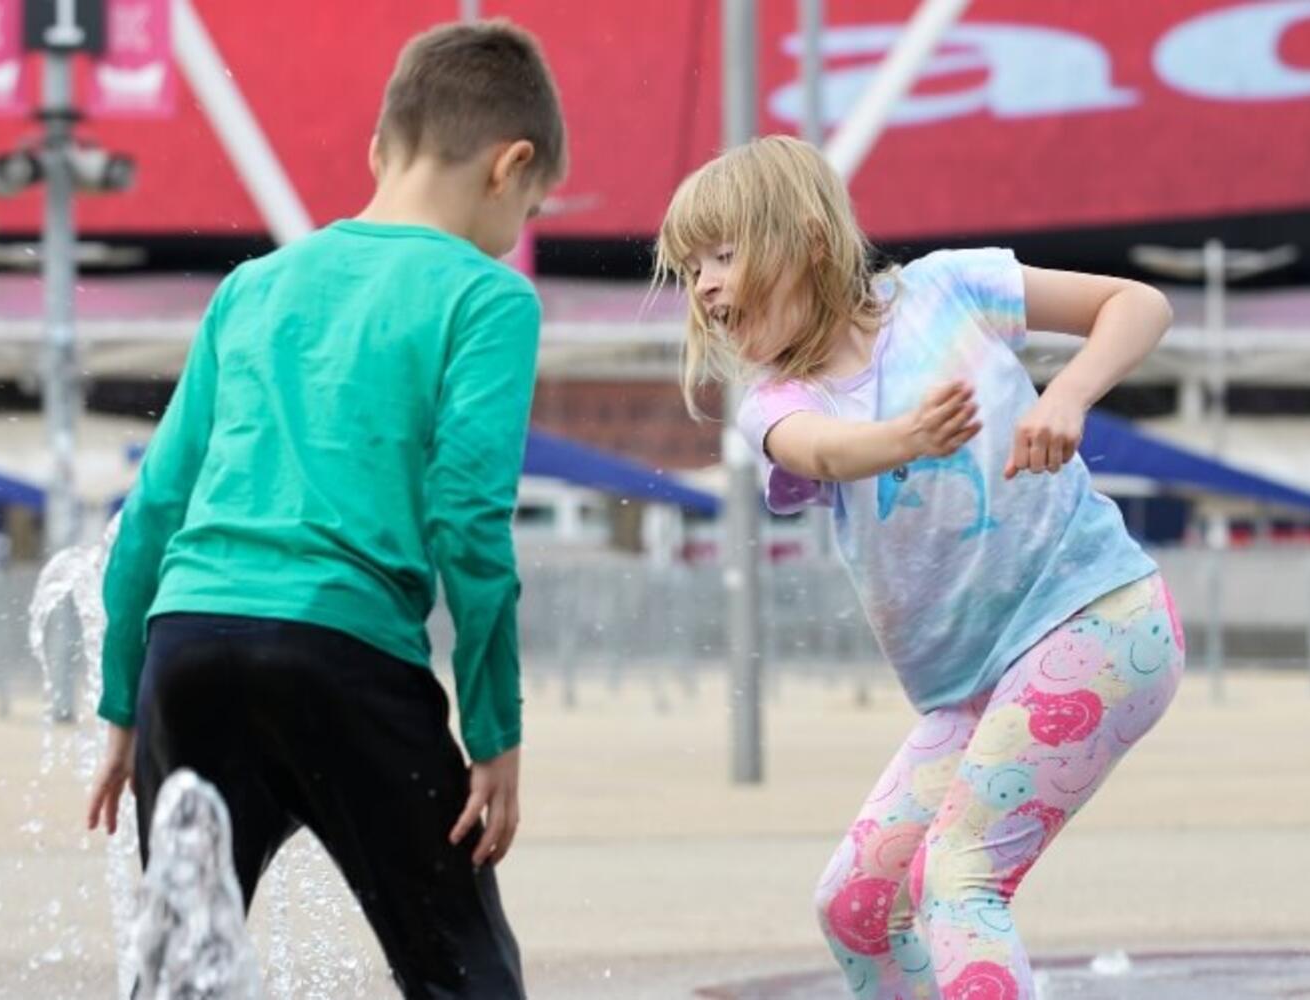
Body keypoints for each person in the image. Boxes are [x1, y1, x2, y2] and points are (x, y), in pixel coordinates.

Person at [83, 19, 565, 999]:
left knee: (175, 977)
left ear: (379, 147)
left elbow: (153, 510)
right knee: (463, 971)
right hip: (342, 655)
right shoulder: (489, 298)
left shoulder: (252, 287)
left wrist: (125, 703)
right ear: (510, 166)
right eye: (533, 204)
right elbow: (467, 519)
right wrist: (494, 730)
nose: (519, 224)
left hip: (187, 648)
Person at [658, 136, 1186, 1000]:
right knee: (856, 907)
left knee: (957, 878)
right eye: (690, 271)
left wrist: (1066, 394)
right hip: (973, 689)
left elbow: (1138, 304)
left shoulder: (948, 288)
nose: (705, 286)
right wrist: (904, 438)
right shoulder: (778, 401)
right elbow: (822, 452)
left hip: (1097, 619)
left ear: (809, 240)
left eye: (723, 254)